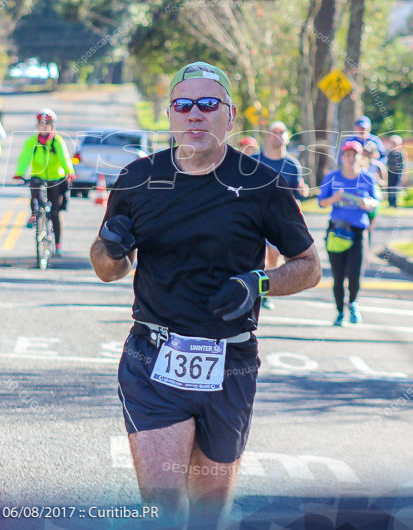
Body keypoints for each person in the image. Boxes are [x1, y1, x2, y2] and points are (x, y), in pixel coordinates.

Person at [90, 61, 320, 527]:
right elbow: (107, 269)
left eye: (208, 104)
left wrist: (257, 283)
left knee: (209, 515)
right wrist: (109, 247)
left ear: (229, 117)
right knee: (164, 510)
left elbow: (309, 267)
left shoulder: (262, 185)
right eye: (183, 105)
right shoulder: (137, 179)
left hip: (230, 363)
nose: (195, 114)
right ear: (172, 116)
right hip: (153, 359)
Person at [319, 140, 381, 326]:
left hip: (358, 231)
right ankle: (339, 313)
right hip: (337, 230)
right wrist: (334, 198)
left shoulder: (368, 179)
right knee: (338, 275)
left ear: (361, 158)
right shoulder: (332, 177)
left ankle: (353, 302)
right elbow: (321, 202)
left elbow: (376, 202)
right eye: (347, 155)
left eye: (355, 155)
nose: (351, 158)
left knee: (355, 273)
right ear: (342, 157)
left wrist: (367, 204)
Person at [256, 120, 310, 287]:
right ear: (267, 136)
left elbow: (299, 190)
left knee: (273, 255)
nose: (277, 136)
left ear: (287, 137)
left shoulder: (293, 165)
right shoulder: (254, 160)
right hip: (254, 215)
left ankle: (266, 287)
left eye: (281, 132)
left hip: (278, 219)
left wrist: (303, 190)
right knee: (258, 254)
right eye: (274, 132)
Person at [13, 108, 73, 256]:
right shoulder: (31, 142)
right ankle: (35, 214)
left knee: (54, 212)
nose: (44, 127)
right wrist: (19, 173)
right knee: (34, 188)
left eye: (47, 124)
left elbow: (64, 158)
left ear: (52, 125)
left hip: (55, 178)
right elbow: (24, 157)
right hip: (38, 175)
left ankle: (58, 245)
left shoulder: (57, 141)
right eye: (41, 124)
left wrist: (69, 171)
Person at [385, 134, 405, 208]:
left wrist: (403, 174)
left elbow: (402, 164)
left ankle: (394, 202)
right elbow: (386, 163)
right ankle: (390, 203)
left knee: (395, 188)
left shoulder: (400, 153)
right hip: (390, 173)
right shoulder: (389, 153)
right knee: (390, 188)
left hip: (397, 173)